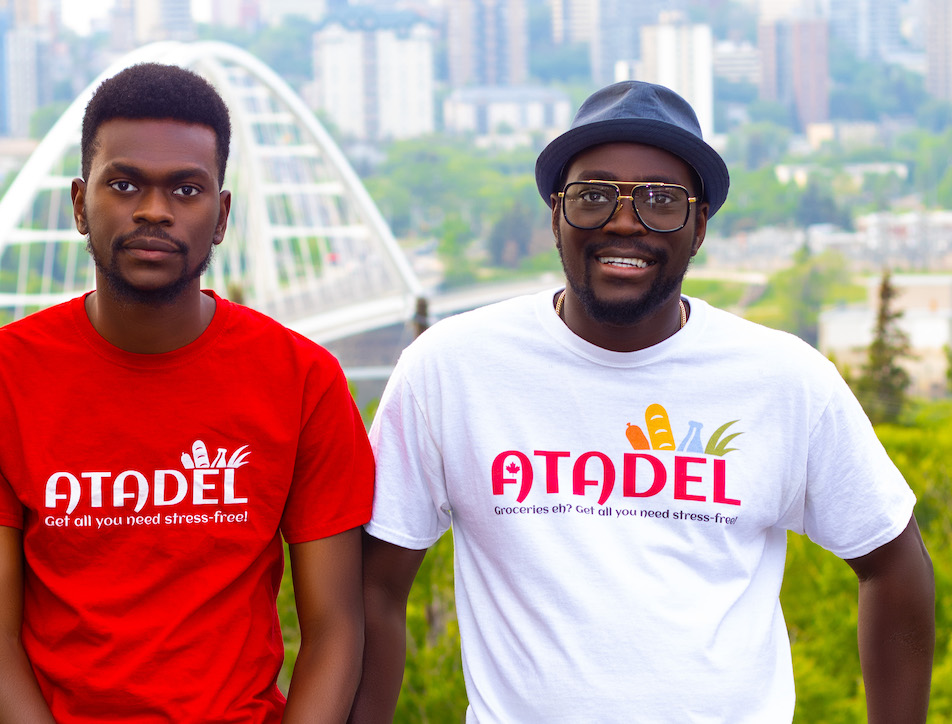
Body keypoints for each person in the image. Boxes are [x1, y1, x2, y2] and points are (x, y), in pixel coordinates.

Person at [350, 81, 934, 723]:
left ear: (700, 225)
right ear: (555, 214)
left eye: (661, 200)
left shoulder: (784, 380)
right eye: (594, 196)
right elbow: (373, 588)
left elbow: (894, 564)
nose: (624, 221)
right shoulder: (450, 369)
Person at [0, 62, 374, 723]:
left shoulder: (302, 380)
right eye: (124, 183)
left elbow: (338, 627)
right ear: (79, 204)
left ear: (221, 218)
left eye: (186, 190)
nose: (154, 210)